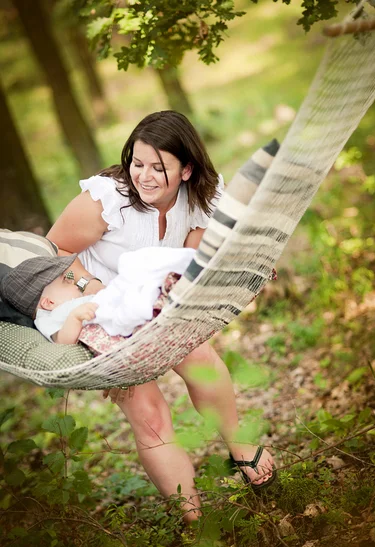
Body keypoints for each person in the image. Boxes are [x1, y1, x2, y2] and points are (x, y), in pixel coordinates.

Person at [46, 110, 276, 522]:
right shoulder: (106, 199)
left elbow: (197, 261)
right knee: (148, 409)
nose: (144, 177)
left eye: (159, 167)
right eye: (137, 163)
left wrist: (244, 264)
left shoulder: (203, 199)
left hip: (152, 304)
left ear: (187, 169)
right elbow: (53, 251)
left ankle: (238, 446)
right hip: (90, 306)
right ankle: (194, 521)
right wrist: (92, 291)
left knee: (201, 358)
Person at [0, 247, 195, 347]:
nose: (74, 281)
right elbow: (61, 341)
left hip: (108, 296)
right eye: (67, 281)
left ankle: (182, 265)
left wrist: (86, 283)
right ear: (49, 302)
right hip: (108, 311)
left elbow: (79, 280)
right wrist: (75, 318)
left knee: (133, 262)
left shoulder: (67, 292)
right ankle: (181, 270)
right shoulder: (50, 318)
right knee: (133, 271)